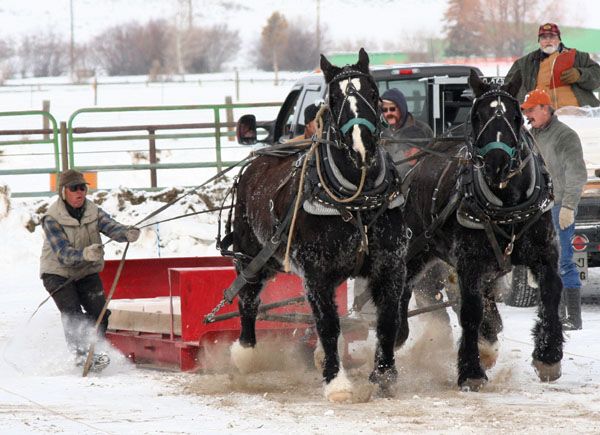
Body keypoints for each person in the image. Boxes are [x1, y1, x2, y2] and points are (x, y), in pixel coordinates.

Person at [40, 169, 141, 370]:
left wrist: (126, 233)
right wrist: (85, 254)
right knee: (73, 313)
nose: (79, 192)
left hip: (86, 272)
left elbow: (112, 227)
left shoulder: (93, 211)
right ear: (63, 192)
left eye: (82, 188)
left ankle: (96, 350)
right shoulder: (51, 218)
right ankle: (81, 355)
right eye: (74, 188)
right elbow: (63, 254)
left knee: (100, 312)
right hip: (57, 274)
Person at [521, 89, 587, 330]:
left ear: (545, 108)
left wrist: (569, 206)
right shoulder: (529, 137)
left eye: (530, 110)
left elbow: (577, 174)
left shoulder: (565, 136)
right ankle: (556, 315)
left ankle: (574, 317)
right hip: (539, 208)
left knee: (565, 261)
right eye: (525, 111)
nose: (527, 115)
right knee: (547, 263)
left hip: (559, 206)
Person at [505, 22, 600, 109]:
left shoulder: (578, 57)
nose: (548, 41)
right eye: (544, 38)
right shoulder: (524, 63)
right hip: (542, 117)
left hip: (580, 112)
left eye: (552, 37)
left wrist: (580, 74)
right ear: (539, 41)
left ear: (559, 39)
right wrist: (526, 98)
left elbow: (597, 75)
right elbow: (508, 88)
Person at [380, 88, 433, 177]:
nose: (388, 113)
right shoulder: (378, 131)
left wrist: (418, 155)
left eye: (392, 109)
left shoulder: (423, 129)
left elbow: (433, 160)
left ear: (402, 108)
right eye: (385, 110)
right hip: (386, 185)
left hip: (415, 182)